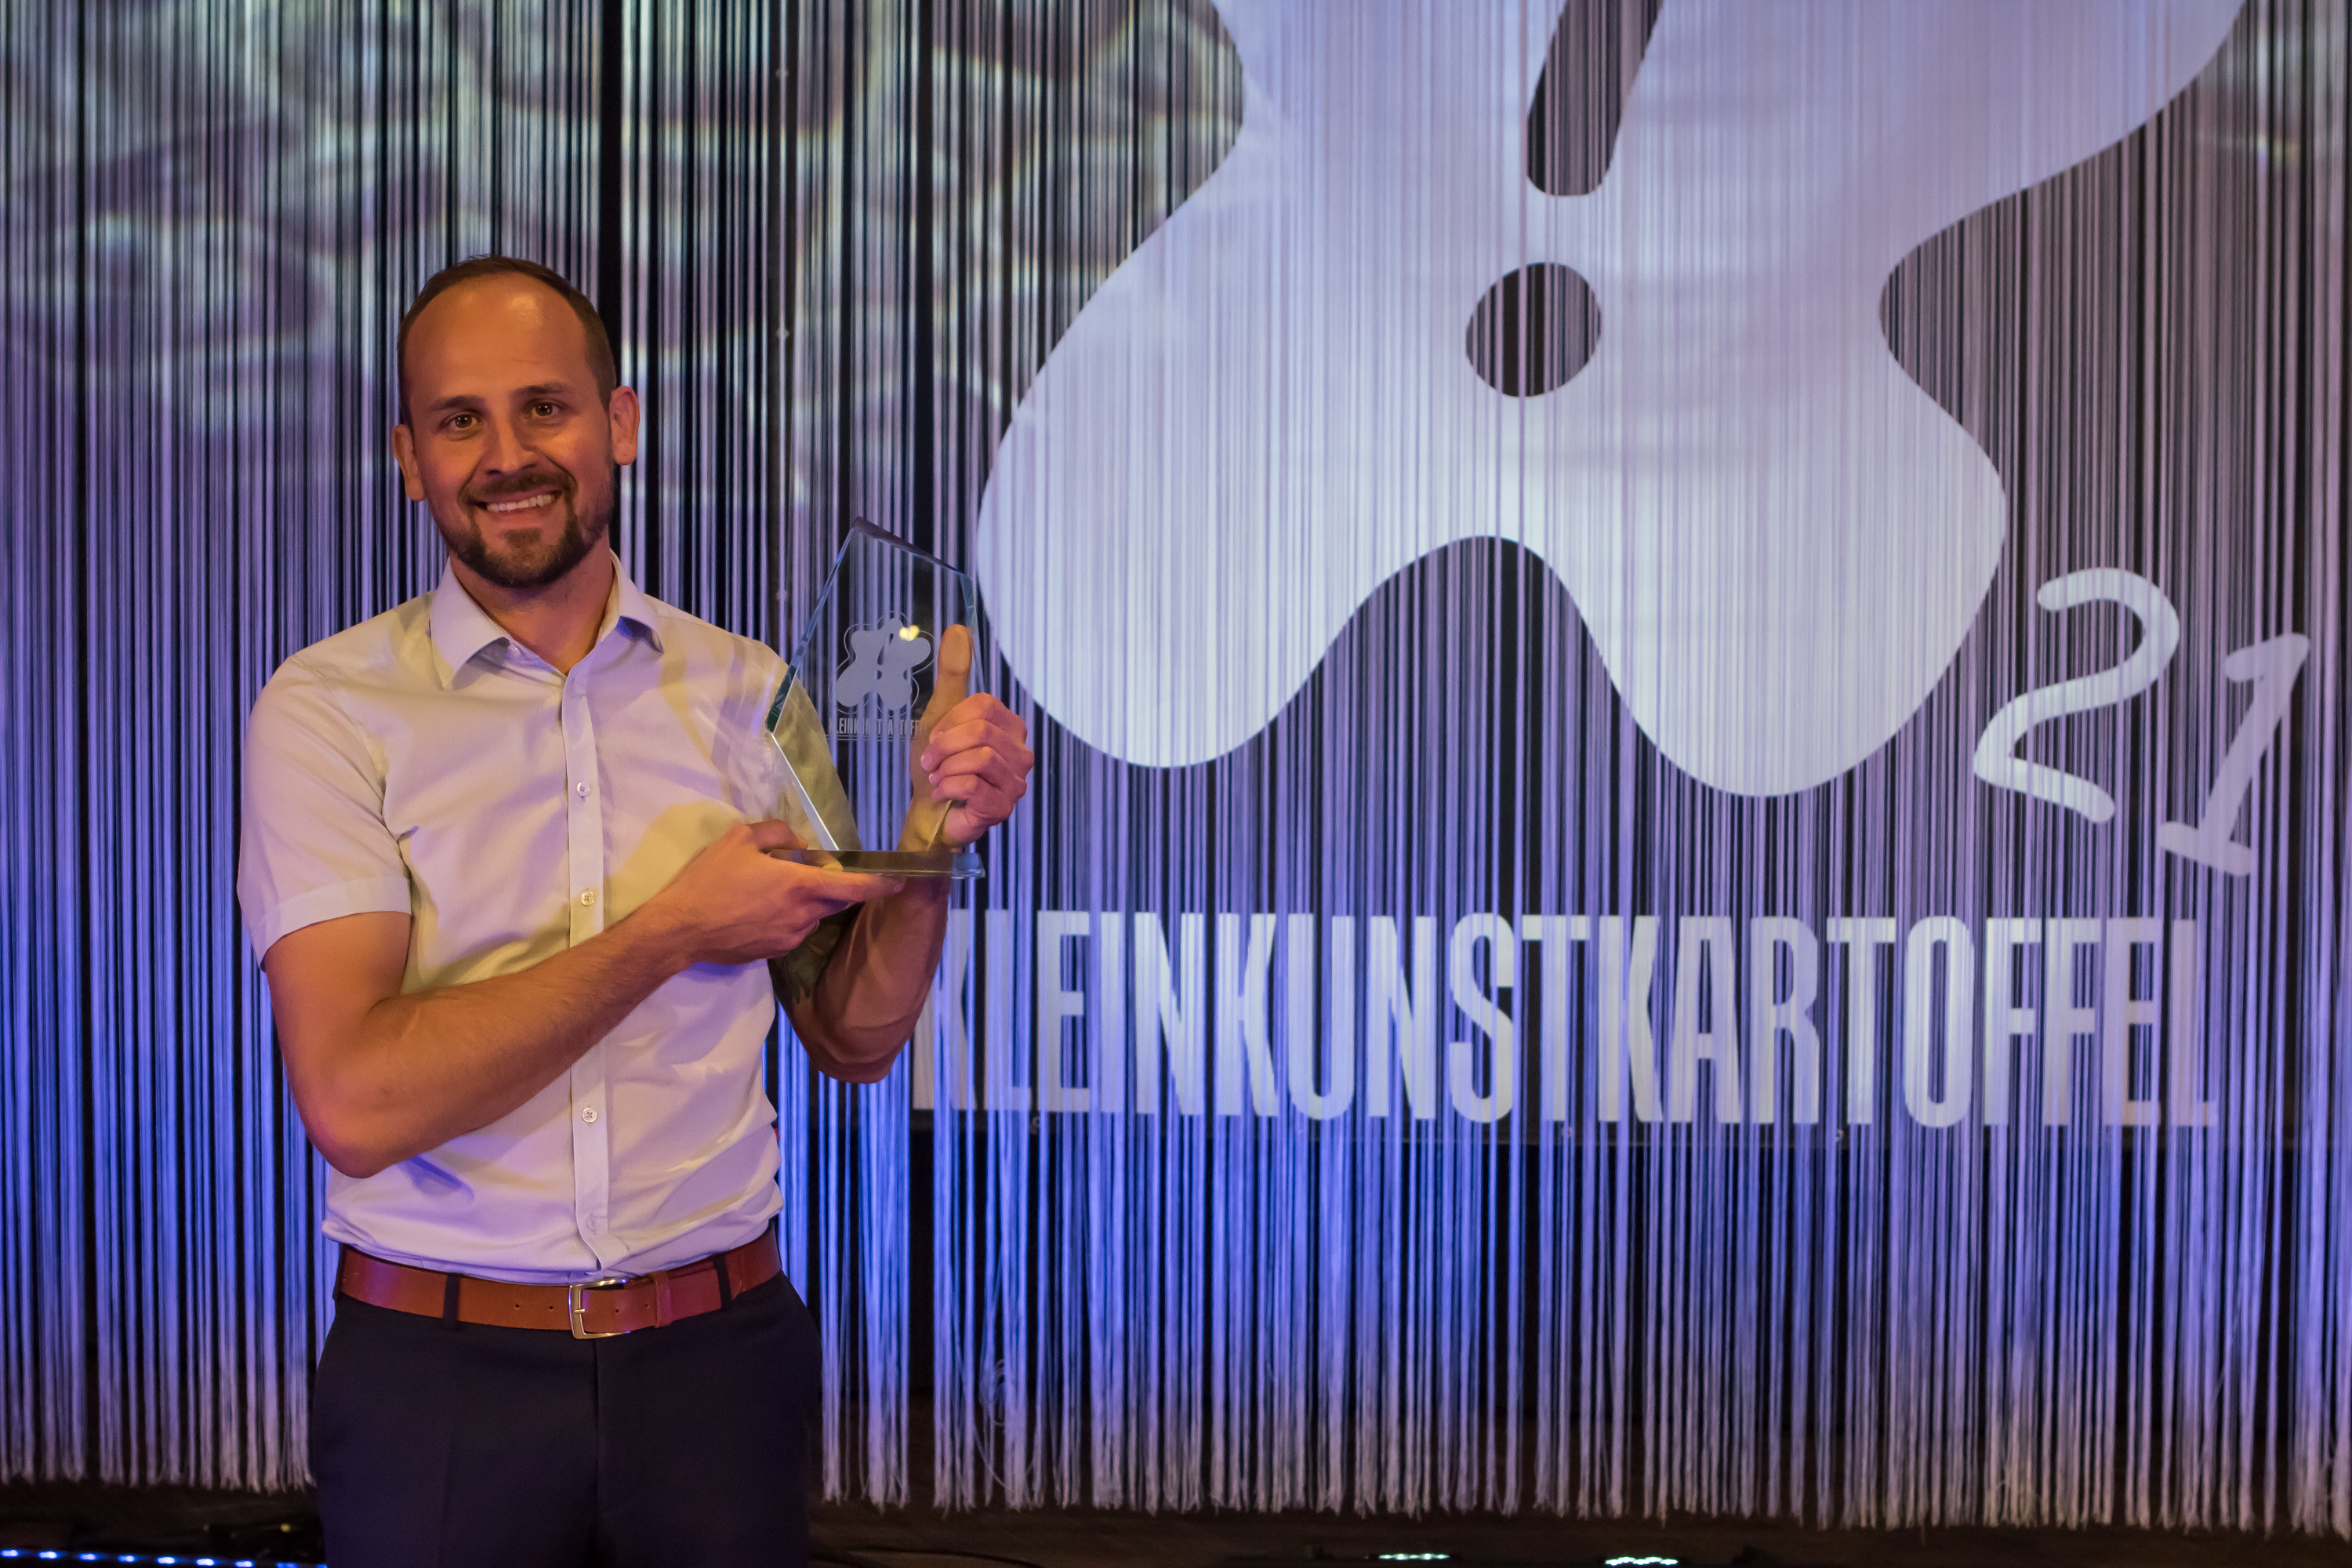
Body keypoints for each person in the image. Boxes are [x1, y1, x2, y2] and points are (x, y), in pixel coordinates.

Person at [236, 255, 1033, 1567]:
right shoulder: (328, 711)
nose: (507, 456)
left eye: (544, 408)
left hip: (718, 1368)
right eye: (460, 420)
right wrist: (673, 930)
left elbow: (853, 1035)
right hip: (441, 1379)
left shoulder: (752, 692)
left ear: (621, 423)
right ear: (409, 458)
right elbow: (356, 1104)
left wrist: (925, 853)